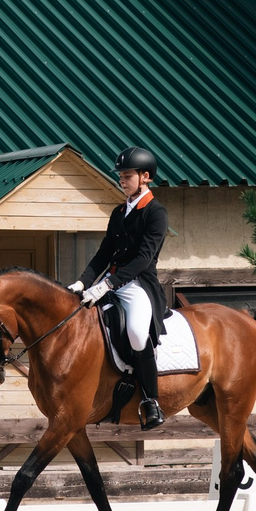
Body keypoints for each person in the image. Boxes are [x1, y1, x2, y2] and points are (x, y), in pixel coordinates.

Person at [69, 145, 170, 431]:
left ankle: (152, 402)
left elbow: (143, 259)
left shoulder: (156, 213)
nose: (122, 181)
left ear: (145, 176)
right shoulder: (118, 212)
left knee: (138, 333)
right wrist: (83, 282)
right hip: (109, 284)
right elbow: (103, 254)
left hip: (139, 285)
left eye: (127, 176)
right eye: (121, 176)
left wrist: (109, 284)